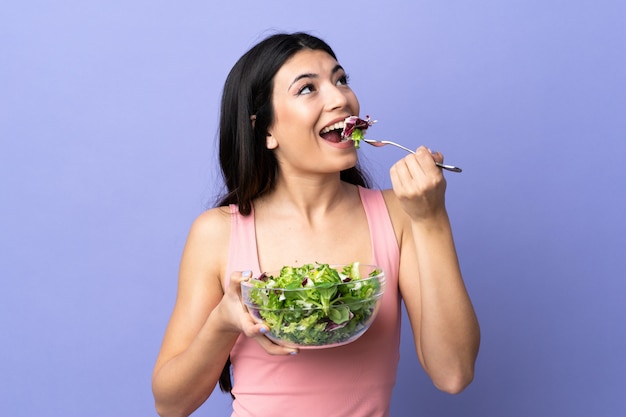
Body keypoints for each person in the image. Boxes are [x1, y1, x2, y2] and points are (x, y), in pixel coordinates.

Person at [152, 32, 480, 417]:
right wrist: (223, 323)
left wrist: (432, 218)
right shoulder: (217, 232)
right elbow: (170, 405)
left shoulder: (401, 215)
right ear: (266, 130)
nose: (340, 98)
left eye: (341, 80)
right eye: (308, 89)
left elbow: (453, 374)